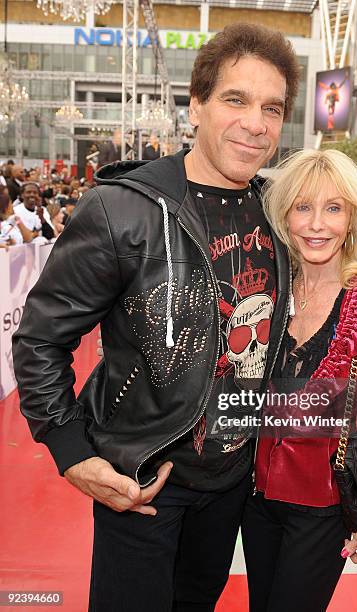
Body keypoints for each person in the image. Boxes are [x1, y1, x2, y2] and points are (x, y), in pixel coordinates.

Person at [13, 23, 300, 612]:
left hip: (233, 483)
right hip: (143, 482)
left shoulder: (280, 213)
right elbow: (41, 338)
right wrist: (71, 452)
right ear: (195, 105)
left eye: (272, 107)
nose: (256, 123)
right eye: (235, 99)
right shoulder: (122, 209)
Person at [241, 149, 357, 612]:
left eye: (333, 208)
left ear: (353, 218)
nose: (317, 224)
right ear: (284, 215)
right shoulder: (271, 286)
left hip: (322, 503)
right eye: (303, 207)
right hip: (253, 495)